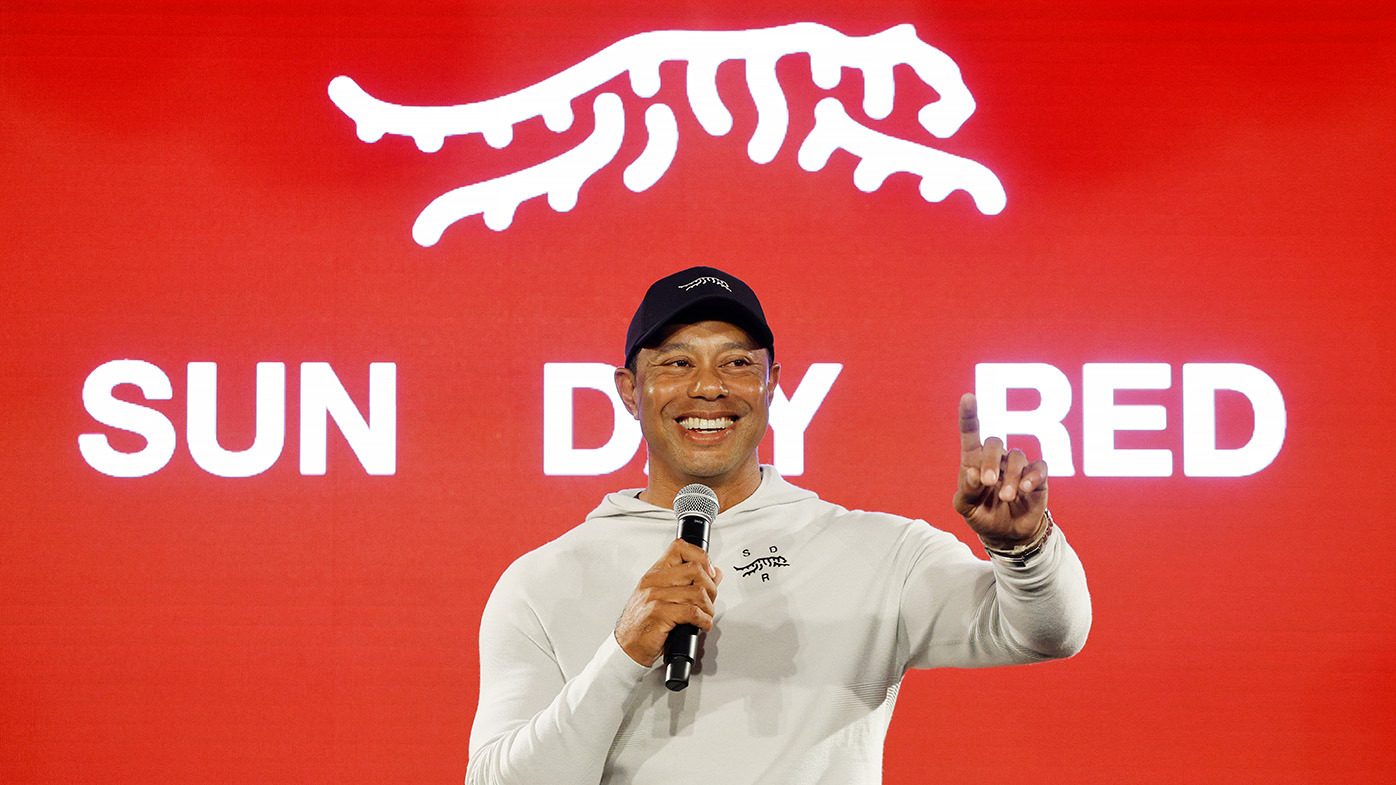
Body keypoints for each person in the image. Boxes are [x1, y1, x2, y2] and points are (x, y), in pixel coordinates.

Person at [465, 267, 1090, 785]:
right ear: (629, 390)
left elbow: (1045, 635)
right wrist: (624, 652)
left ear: (771, 384)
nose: (709, 388)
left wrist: (1024, 551)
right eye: (678, 363)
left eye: (737, 363)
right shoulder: (541, 581)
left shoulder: (878, 551)